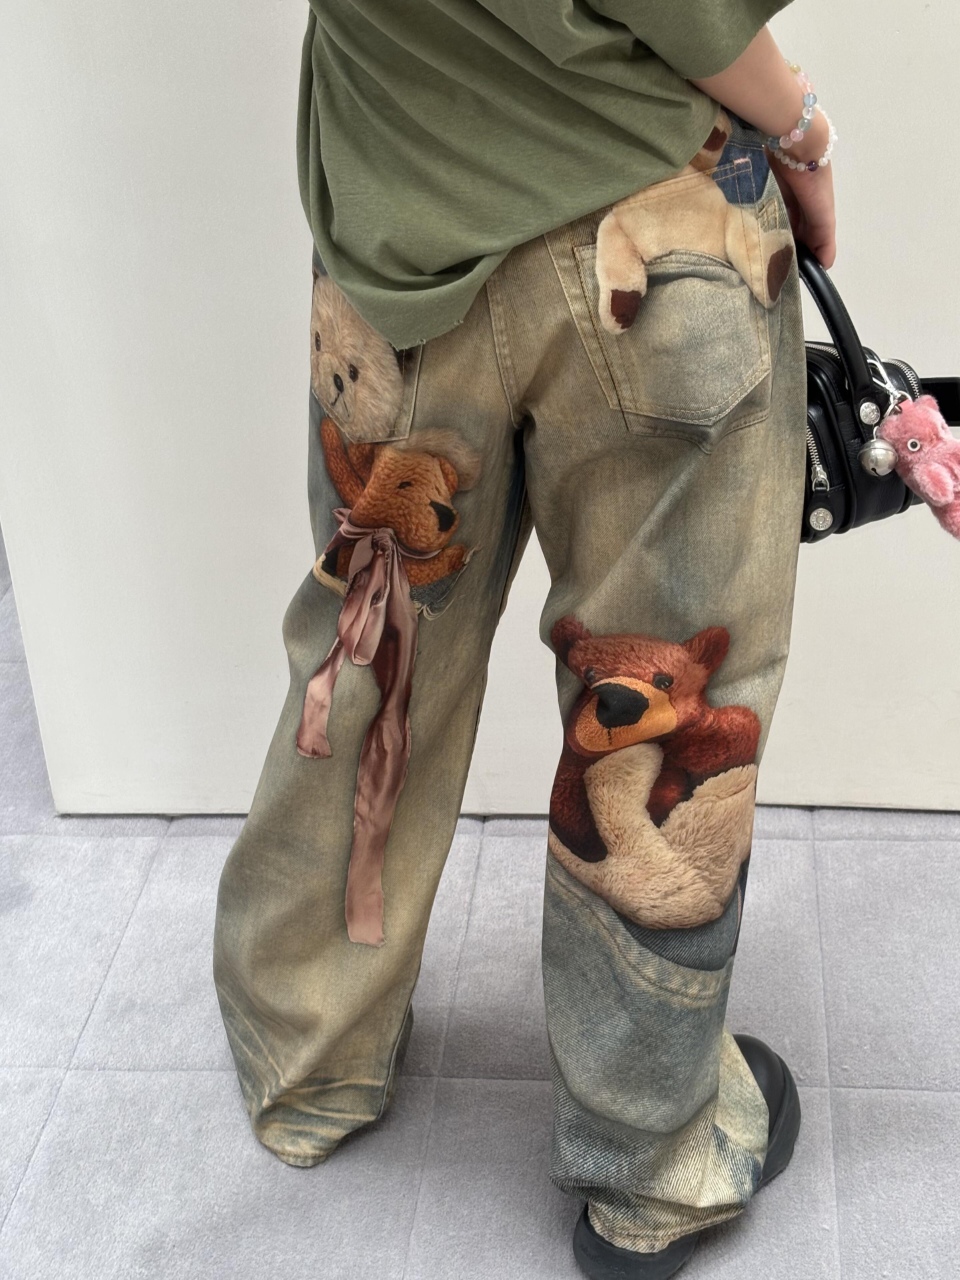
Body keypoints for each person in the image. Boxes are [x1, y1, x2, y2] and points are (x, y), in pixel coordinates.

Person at [213, 4, 836, 1277]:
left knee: (371, 664)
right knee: (659, 711)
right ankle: (649, 1157)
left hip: (397, 231)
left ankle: (307, 1058)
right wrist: (803, 127)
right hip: (651, 229)